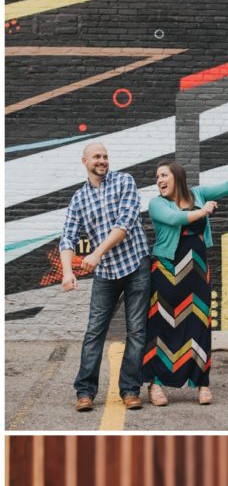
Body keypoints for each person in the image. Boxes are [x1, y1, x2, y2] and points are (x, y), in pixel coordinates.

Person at [143, 159, 228, 407]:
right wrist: (202, 212)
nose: (159, 180)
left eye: (164, 175)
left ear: (177, 177)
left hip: (197, 269)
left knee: (200, 323)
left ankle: (202, 384)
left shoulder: (197, 193)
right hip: (167, 268)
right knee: (161, 324)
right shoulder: (156, 204)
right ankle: (155, 384)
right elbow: (174, 219)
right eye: (157, 177)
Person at [59, 142, 151, 412]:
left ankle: (130, 390)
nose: (102, 160)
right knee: (94, 332)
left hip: (136, 266)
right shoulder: (79, 199)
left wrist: (96, 253)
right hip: (106, 274)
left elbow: (125, 224)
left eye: (105, 156)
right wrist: (67, 272)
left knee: (136, 331)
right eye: (96, 157)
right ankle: (85, 392)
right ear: (84, 161)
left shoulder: (125, 181)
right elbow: (67, 237)